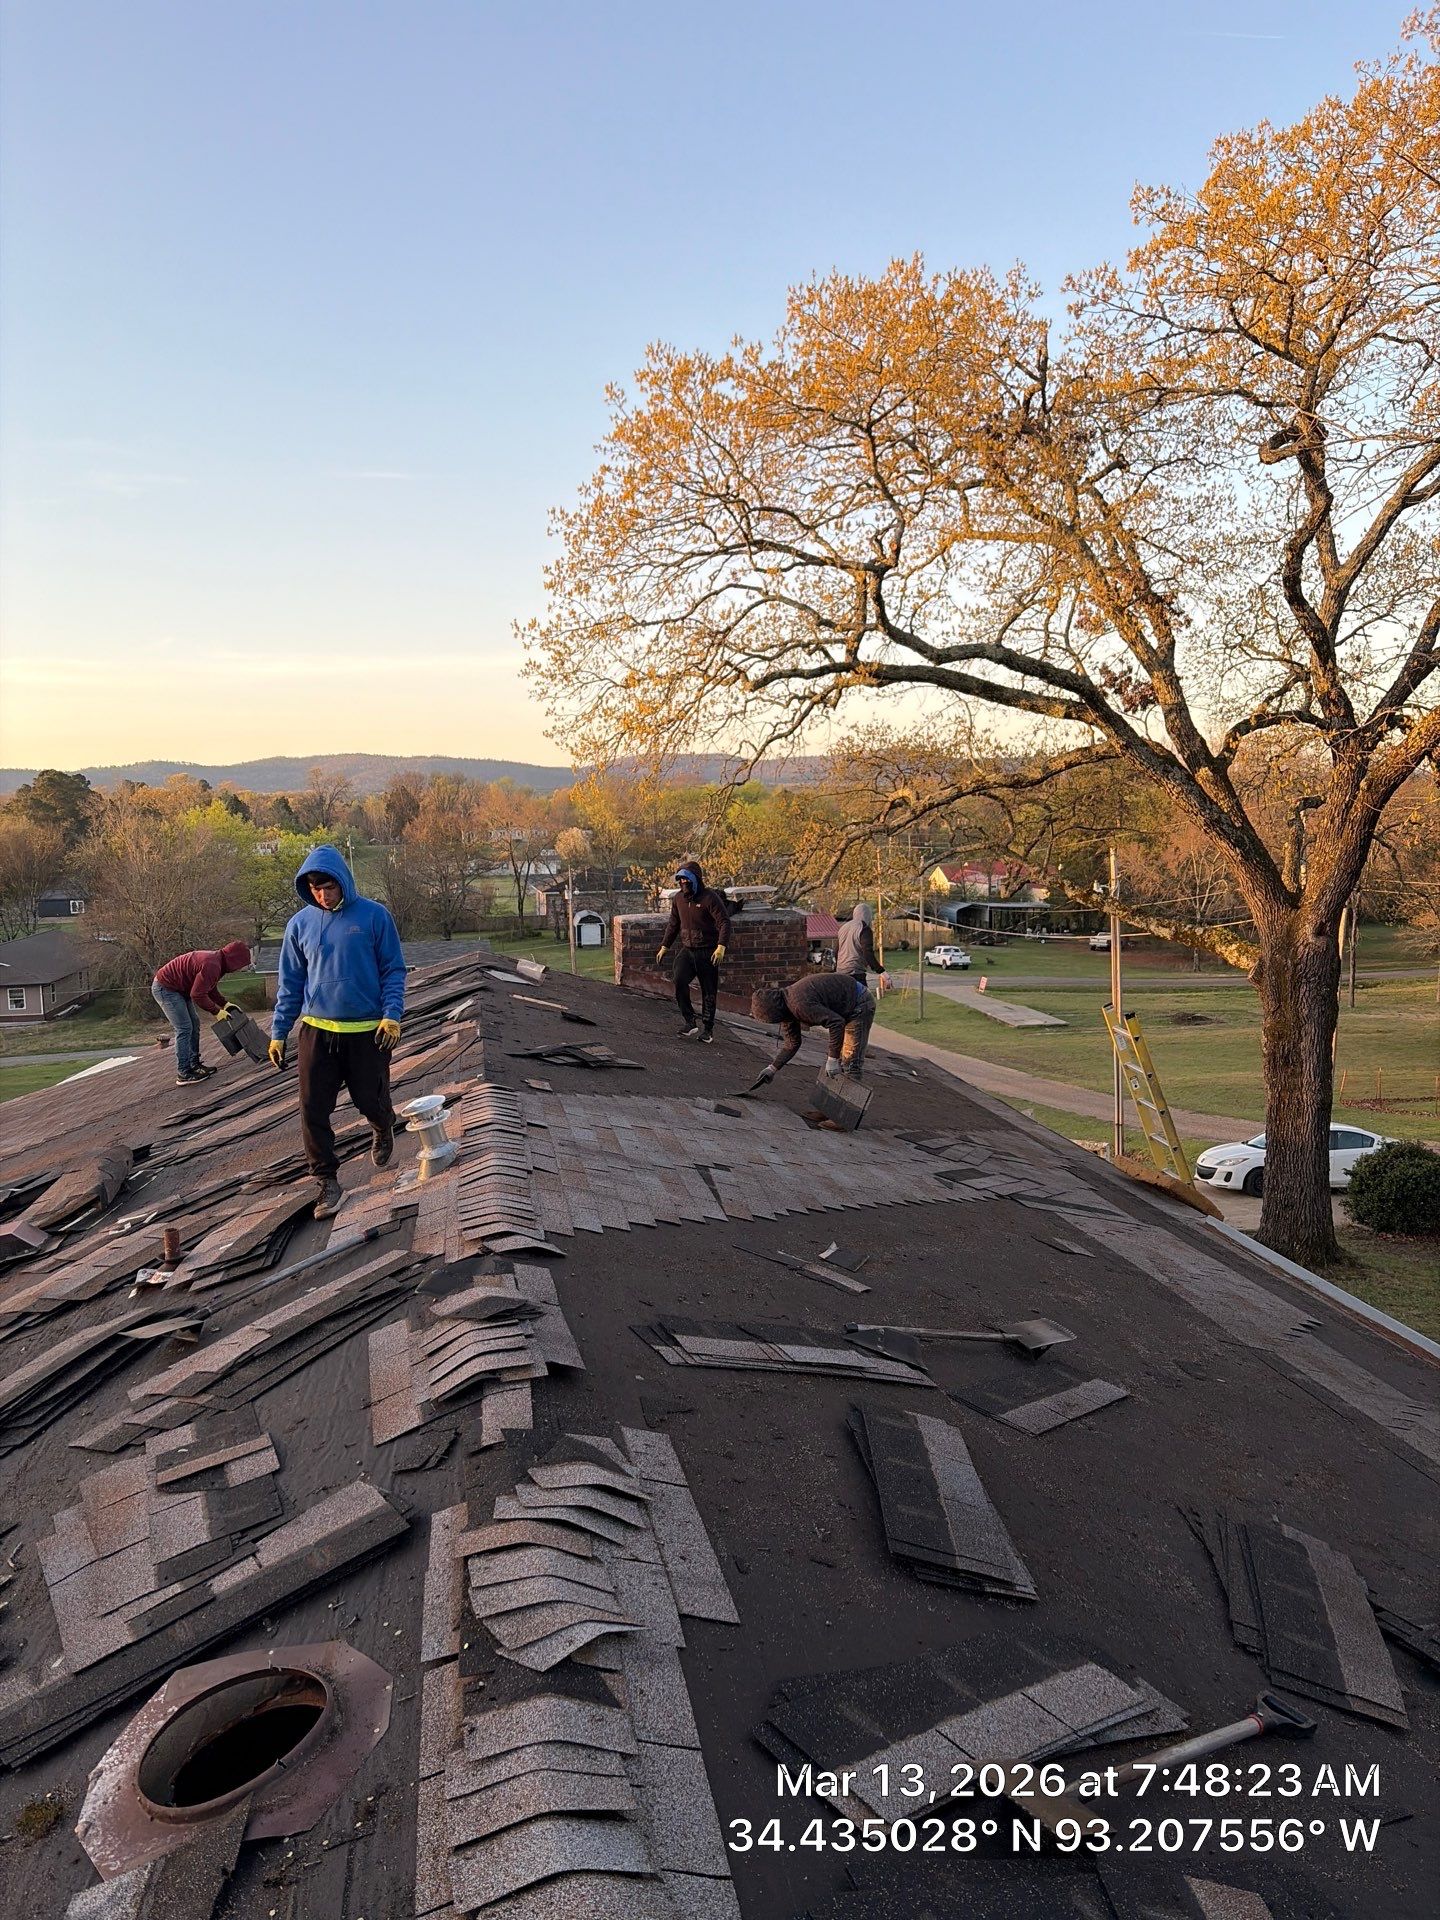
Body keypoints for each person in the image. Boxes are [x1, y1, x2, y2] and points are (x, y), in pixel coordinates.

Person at [268, 844, 406, 1219]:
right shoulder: (299, 925)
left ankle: (382, 1124)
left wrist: (392, 1014)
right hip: (317, 1030)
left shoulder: (374, 917)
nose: (323, 896)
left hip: (367, 1031)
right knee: (312, 1107)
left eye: (329, 887)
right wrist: (279, 1031)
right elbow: (290, 984)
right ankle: (326, 1180)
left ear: (342, 882)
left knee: (369, 1098)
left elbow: (393, 970)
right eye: (315, 889)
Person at [152, 940, 253, 1085]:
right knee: (184, 1028)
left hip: (180, 989)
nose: (239, 969)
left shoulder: (218, 962)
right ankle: (184, 1073)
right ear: (234, 960)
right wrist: (216, 1011)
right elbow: (197, 995)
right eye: (241, 964)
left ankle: (195, 1065)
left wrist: (224, 1004)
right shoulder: (212, 964)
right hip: (166, 988)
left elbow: (208, 987)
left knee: (194, 1024)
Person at [750, 972, 877, 1084]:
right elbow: (792, 1044)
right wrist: (772, 1068)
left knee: (850, 1063)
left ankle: (849, 1102)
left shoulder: (799, 1005)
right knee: (837, 1061)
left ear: (777, 1012)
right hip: (844, 1002)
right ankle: (837, 1100)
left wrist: (832, 1059)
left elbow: (836, 1023)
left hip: (859, 1002)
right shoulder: (786, 1007)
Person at [655, 859, 731, 1044]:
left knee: (708, 991)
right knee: (679, 980)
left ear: (696, 879)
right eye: (680, 879)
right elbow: (673, 924)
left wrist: (721, 946)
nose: (683, 882)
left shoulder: (709, 898)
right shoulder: (678, 899)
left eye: (687, 879)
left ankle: (708, 1030)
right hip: (687, 950)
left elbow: (724, 922)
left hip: (708, 951)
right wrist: (665, 946)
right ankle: (690, 1021)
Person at [836, 902, 887, 991]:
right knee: (863, 998)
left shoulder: (843, 928)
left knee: (844, 998)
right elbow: (867, 952)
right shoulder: (864, 929)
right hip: (855, 973)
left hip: (841, 973)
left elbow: (836, 951)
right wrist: (881, 972)